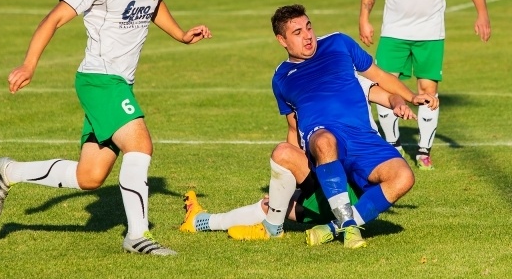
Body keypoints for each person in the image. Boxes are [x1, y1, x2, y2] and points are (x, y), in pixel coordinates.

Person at [0, 0, 212, 256]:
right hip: (99, 80)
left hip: (119, 82)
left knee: (89, 177)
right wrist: (29, 65)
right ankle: (137, 236)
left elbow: (153, 2)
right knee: (140, 145)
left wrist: (182, 35)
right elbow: (53, 19)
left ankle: (11, 172)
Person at [269, 4, 436, 249]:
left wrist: (411, 97)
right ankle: (348, 226)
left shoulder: (339, 43)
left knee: (403, 177)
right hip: (322, 138)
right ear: (281, 40)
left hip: (362, 137)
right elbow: (294, 129)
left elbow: (379, 76)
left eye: (308, 27)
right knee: (324, 141)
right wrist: (296, 183)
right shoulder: (281, 77)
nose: (307, 36)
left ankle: (337, 226)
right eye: (297, 33)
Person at [179, 76, 418, 239]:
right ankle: (202, 221)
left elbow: (389, 96)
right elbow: (294, 142)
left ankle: (336, 226)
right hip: (323, 175)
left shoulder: (348, 78)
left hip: (357, 175)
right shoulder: (299, 96)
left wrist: (400, 104)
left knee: (275, 204)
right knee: (277, 186)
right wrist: (286, 191)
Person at [359, 0, 491, 171]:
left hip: (430, 34)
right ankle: (393, 145)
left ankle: (423, 151)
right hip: (394, 32)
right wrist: (364, 18)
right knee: (384, 86)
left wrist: (482, 14)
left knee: (428, 91)